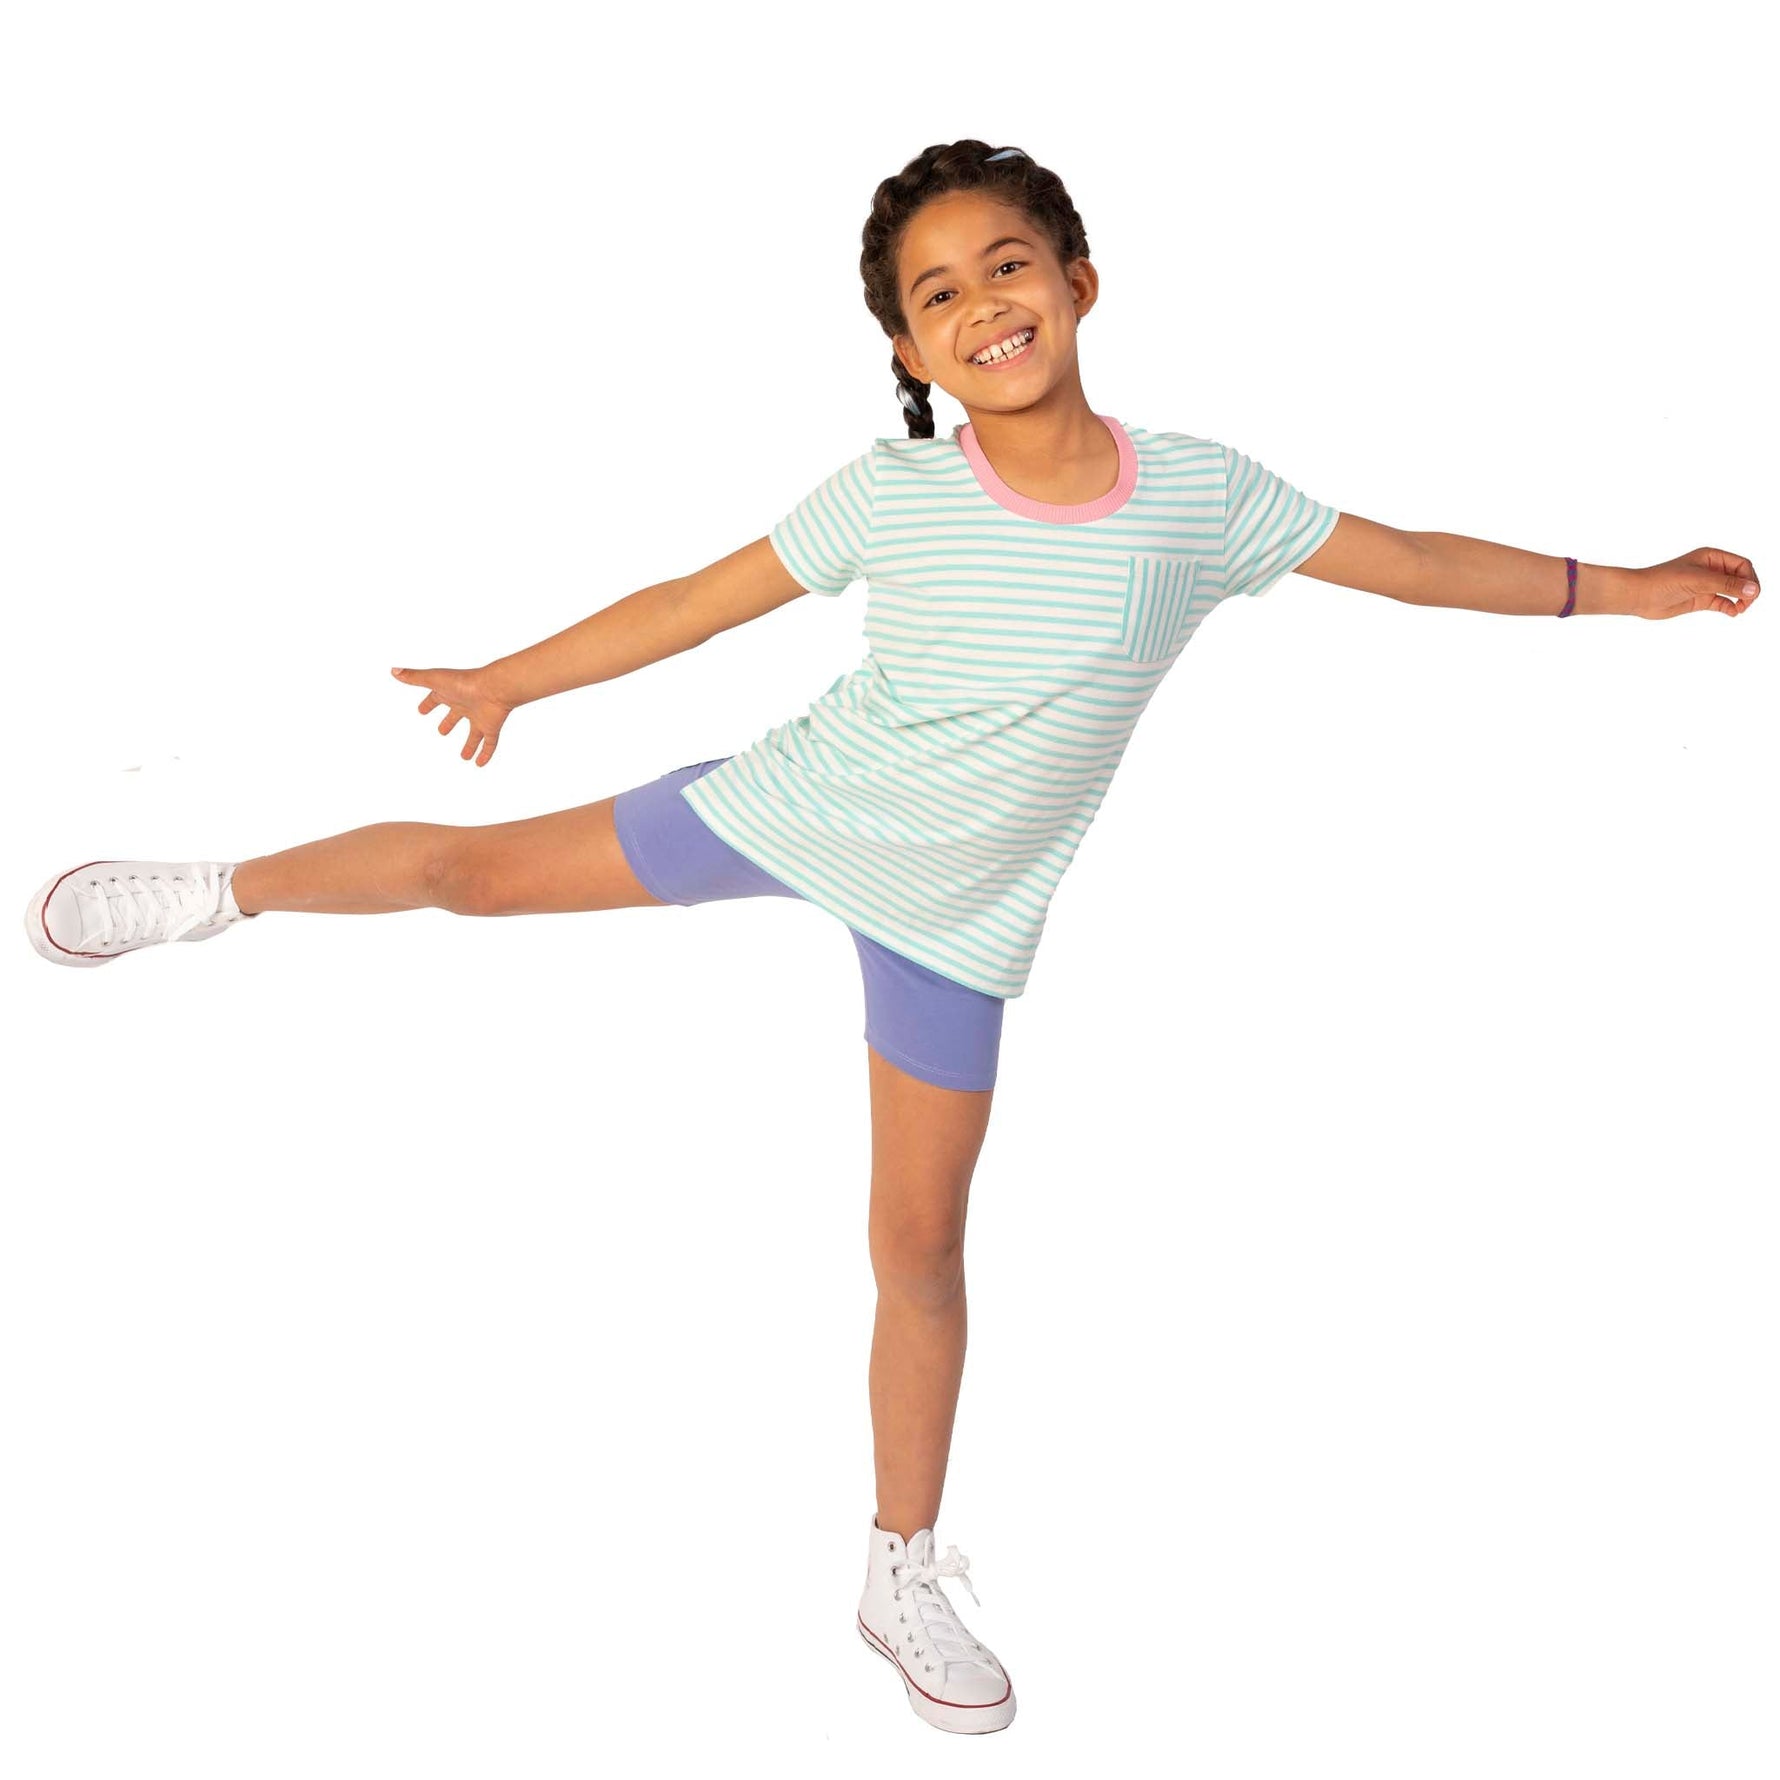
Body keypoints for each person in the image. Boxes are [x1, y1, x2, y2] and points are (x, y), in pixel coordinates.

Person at [21, 138, 1760, 1737]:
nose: (984, 307)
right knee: (474, 878)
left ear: (1081, 282)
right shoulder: (892, 495)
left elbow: (1412, 559)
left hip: (964, 915)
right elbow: (690, 605)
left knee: (918, 1252)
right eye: (940, 297)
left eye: (1010, 266)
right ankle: (215, 890)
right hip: (802, 805)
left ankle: (897, 1564)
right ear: (914, 355)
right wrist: (507, 678)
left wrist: (1629, 585)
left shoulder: (1203, 498)